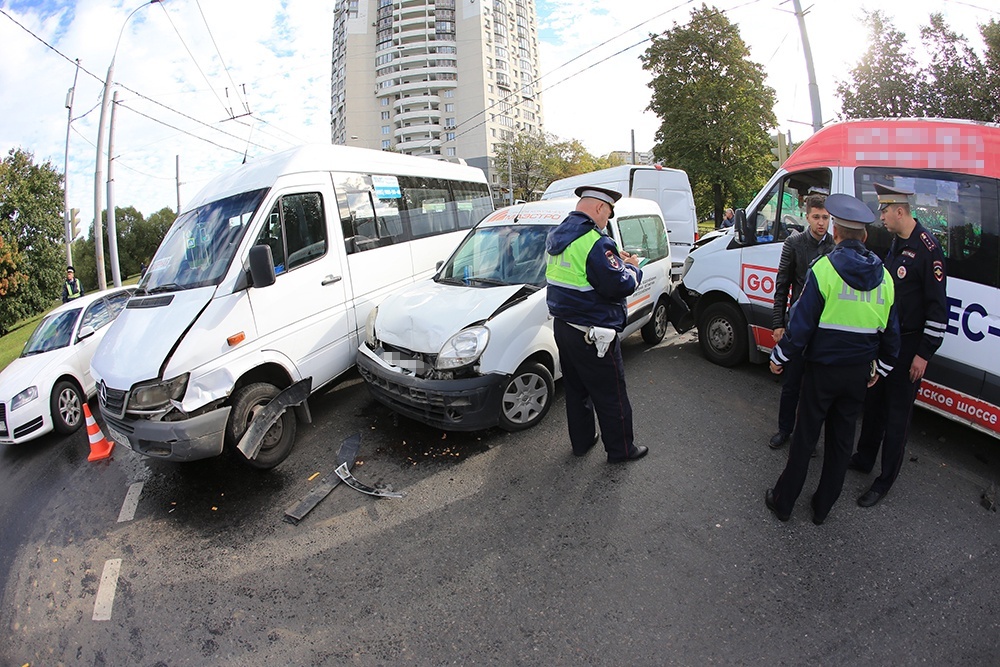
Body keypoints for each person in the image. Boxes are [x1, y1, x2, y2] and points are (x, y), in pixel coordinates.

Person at [764, 193, 900, 525]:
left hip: (822, 371)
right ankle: (822, 507)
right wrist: (880, 369)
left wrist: (779, 356)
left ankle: (783, 503)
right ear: (865, 236)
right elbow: (892, 334)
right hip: (858, 376)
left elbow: (801, 324)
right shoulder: (885, 278)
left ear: (835, 232)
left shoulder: (824, 269)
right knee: (841, 444)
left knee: (805, 438)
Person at [849, 183, 948, 508]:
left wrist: (923, 353)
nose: (881, 216)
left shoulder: (927, 250)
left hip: (909, 348)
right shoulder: (897, 243)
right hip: (887, 342)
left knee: (896, 417)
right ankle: (864, 458)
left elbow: (937, 310)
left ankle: (884, 480)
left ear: (899, 211)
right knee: (874, 403)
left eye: (883, 210)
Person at [545, 185, 647, 463]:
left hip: (564, 327)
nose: (607, 221)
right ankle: (622, 451)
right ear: (600, 208)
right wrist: (634, 268)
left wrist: (615, 262)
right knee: (611, 395)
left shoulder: (557, 235)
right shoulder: (594, 241)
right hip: (594, 335)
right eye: (608, 214)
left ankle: (582, 442)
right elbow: (619, 285)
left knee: (577, 391)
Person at [768, 194, 835, 449]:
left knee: (815, 390)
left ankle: (808, 437)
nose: (821, 223)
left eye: (826, 218)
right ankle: (784, 429)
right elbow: (782, 285)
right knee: (791, 384)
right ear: (807, 217)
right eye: (816, 217)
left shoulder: (834, 246)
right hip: (796, 325)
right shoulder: (794, 243)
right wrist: (778, 324)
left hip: (823, 328)